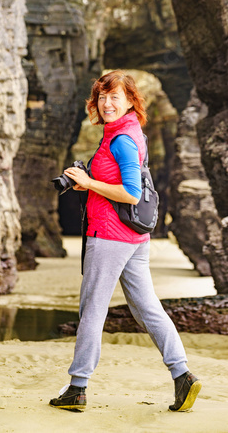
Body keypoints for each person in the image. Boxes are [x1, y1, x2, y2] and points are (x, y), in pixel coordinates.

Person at [49, 70, 202, 412]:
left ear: (131, 100)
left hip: (110, 236)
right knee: (147, 307)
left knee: (92, 310)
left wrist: (88, 183)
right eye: (102, 97)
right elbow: (116, 184)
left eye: (115, 97)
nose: (107, 104)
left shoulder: (121, 140)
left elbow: (131, 194)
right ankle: (183, 376)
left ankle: (77, 387)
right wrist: (84, 183)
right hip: (134, 237)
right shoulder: (124, 132)